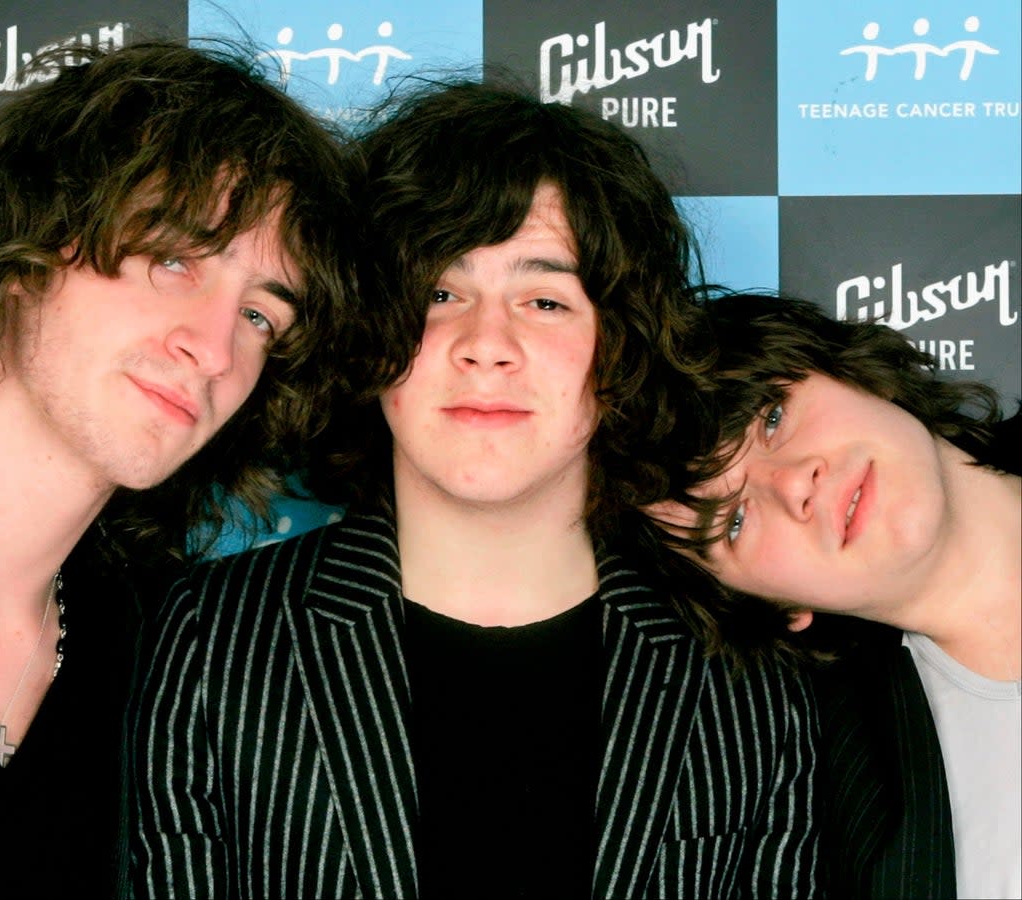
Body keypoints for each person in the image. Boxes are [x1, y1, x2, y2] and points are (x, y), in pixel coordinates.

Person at [132, 81, 820, 899]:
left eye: (544, 300)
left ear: (620, 348)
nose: (485, 345)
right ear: (369, 331)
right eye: (439, 295)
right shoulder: (209, 637)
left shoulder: (741, 674)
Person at [0, 39, 353, 899]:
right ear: (18, 238)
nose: (214, 348)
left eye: (259, 314)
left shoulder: (172, 646)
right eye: (174, 259)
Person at [643, 292, 1021, 899]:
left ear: (845, 368)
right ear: (771, 607)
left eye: (770, 418)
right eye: (733, 522)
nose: (795, 482)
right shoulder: (829, 813)